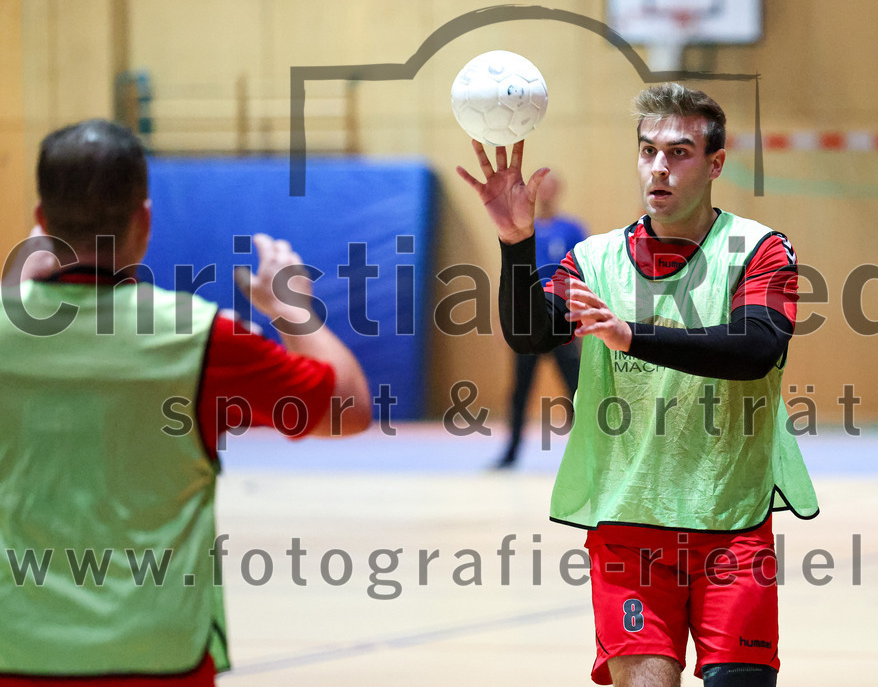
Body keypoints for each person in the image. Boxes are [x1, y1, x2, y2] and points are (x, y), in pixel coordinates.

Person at [458, 83, 818, 687]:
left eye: (679, 152)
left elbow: (756, 350)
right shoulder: (592, 259)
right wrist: (516, 245)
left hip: (731, 523)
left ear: (715, 164)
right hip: (628, 532)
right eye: (648, 150)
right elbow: (530, 335)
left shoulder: (759, 250)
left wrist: (635, 336)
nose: (659, 166)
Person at [0, 119, 372, 686]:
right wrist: (291, 309)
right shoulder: (198, 338)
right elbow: (348, 408)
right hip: (159, 653)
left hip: (15, 647)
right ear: (144, 220)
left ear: (42, 220)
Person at [496, 171, 586, 468]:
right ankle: (510, 452)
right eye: (541, 189)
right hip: (529, 321)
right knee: (520, 390)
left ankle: (582, 451)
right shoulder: (525, 229)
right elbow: (513, 276)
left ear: (557, 191)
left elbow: (583, 273)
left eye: (551, 188)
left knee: (576, 389)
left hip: (562, 321)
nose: (546, 194)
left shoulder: (571, 229)